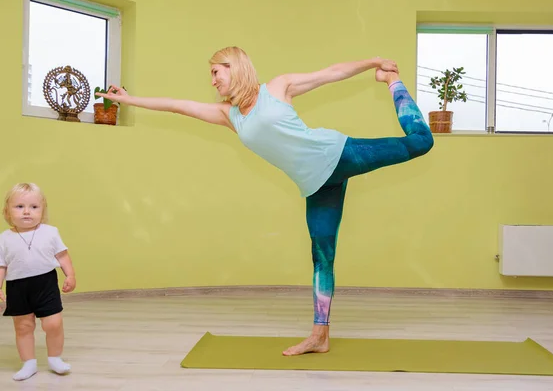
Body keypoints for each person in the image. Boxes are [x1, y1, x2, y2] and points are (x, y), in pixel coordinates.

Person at [96, 46, 434, 356]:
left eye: (216, 72)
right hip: (316, 186)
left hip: (339, 154)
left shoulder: (277, 89)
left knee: (421, 142)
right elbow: (176, 105)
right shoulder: (230, 116)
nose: (212, 81)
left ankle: (393, 83)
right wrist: (130, 100)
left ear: (236, 67)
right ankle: (320, 335)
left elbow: (331, 73)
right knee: (322, 257)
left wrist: (375, 63)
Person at [0, 183, 76, 380]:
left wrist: (70, 275)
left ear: (42, 211)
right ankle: (29, 363)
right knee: (23, 326)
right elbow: (2, 266)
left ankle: (55, 358)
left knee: (53, 323)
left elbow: (62, 255)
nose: (27, 212)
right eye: (19, 207)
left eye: (34, 207)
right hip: (17, 287)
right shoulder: (4, 239)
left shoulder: (50, 232)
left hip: (45, 284)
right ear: (7, 211)